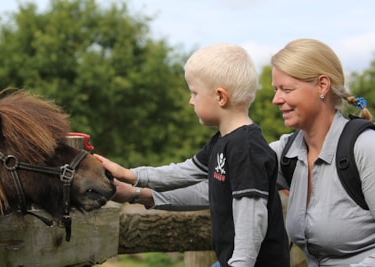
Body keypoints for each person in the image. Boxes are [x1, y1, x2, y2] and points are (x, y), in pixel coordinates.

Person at [95, 43, 290, 267]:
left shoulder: (246, 148)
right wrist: (131, 176)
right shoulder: (222, 141)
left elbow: (251, 215)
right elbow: (184, 172)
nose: (191, 100)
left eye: (195, 92)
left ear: (220, 97)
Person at [269, 38, 375, 267]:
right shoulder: (288, 152)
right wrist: (169, 190)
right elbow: (220, 180)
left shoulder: (366, 148)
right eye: (276, 89)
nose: (276, 100)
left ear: (322, 86)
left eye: (286, 89)